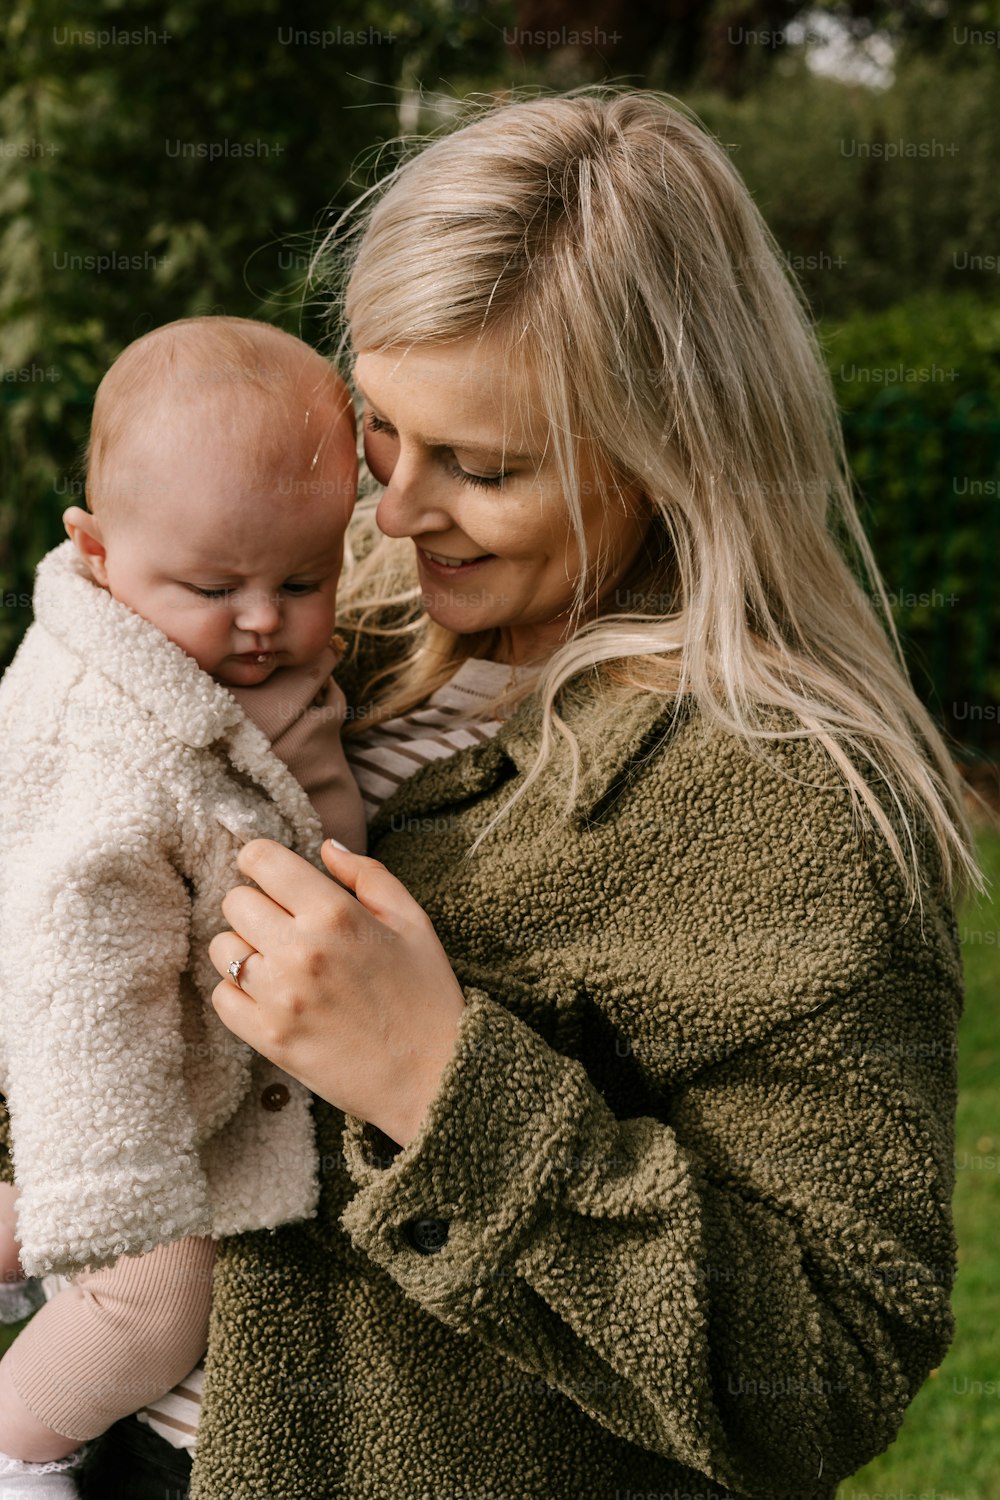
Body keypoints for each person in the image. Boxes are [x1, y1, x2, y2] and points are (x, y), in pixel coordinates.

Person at [7, 89, 981, 1499]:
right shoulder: (337, 609)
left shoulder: (798, 804)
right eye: (385, 437)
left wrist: (432, 1077)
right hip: (90, 1428)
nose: (395, 514)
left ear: (674, 455)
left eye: (484, 468)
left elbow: (828, 1371)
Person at [0, 315, 366, 1494]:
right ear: (98, 552)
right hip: (125, 1094)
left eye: (301, 581)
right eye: (215, 586)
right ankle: (20, 1442)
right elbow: (75, 973)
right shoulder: (115, 748)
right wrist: (117, 1184)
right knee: (156, 1301)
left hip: (189, 1064)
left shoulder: (210, 667)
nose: (261, 620)